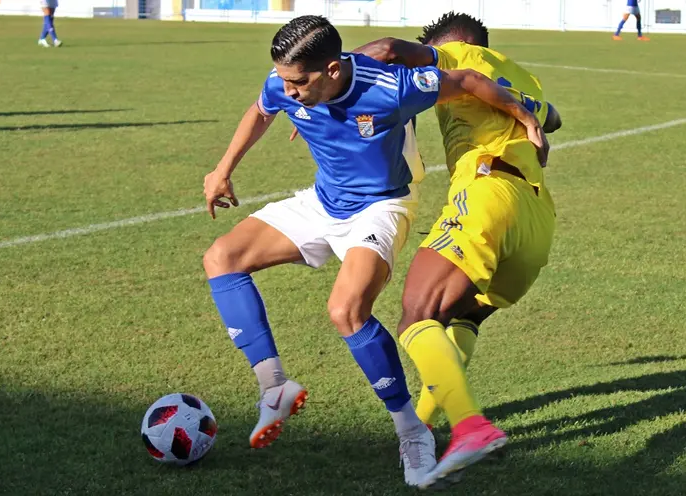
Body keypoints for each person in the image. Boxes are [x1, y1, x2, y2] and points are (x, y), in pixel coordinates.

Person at [201, 15, 548, 486]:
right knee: (221, 258)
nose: (290, 92)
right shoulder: (286, 84)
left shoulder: (393, 87)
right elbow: (261, 110)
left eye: (300, 83)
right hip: (322, 201)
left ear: (332, 70)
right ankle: (274, 387)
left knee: (346, 310)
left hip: (380, 208)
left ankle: (412, 432)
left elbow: (466, 79)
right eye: (285, 81)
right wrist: (222, 169)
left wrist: (526, 116)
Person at [355, 12, 561, 488]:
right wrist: (529, 113)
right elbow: (556, 117)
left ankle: (470, 426)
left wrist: (331, 82)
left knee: (416, 314)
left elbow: (387, 49)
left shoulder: (458, 55)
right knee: (464, 315)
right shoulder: (524, 78)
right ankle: (423, 427)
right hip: (536, 217)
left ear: (453, 44)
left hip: (488, 193)